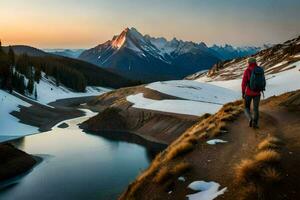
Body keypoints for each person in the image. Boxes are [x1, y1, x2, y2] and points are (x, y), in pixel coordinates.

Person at [242, 57, 265, 129]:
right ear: (255, 62)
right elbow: (263, 80)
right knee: (256, 109)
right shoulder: (260, 70)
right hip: (257, 93)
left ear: (249, 63)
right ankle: (255, 123)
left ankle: (250, 118)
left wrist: (243, 92)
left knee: (246, 107)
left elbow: (243, 83)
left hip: (248, 93)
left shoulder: (247, 70)